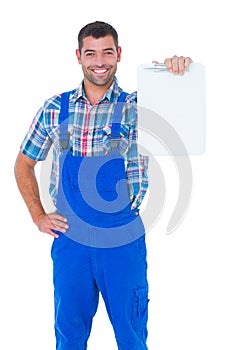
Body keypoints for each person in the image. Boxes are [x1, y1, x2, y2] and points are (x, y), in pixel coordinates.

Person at [14, 21, 192, 350]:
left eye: (107, 52)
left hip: (122, 238)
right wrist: (38, 215)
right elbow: (24, 162)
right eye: (91, 53)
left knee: (131, 334)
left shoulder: (142, 106)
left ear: (119, 55)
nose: (99, 61)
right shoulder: (56, 108)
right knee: (69, 334)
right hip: (71, 239)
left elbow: (186, 118)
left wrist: (178, 75)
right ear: (79, 56)